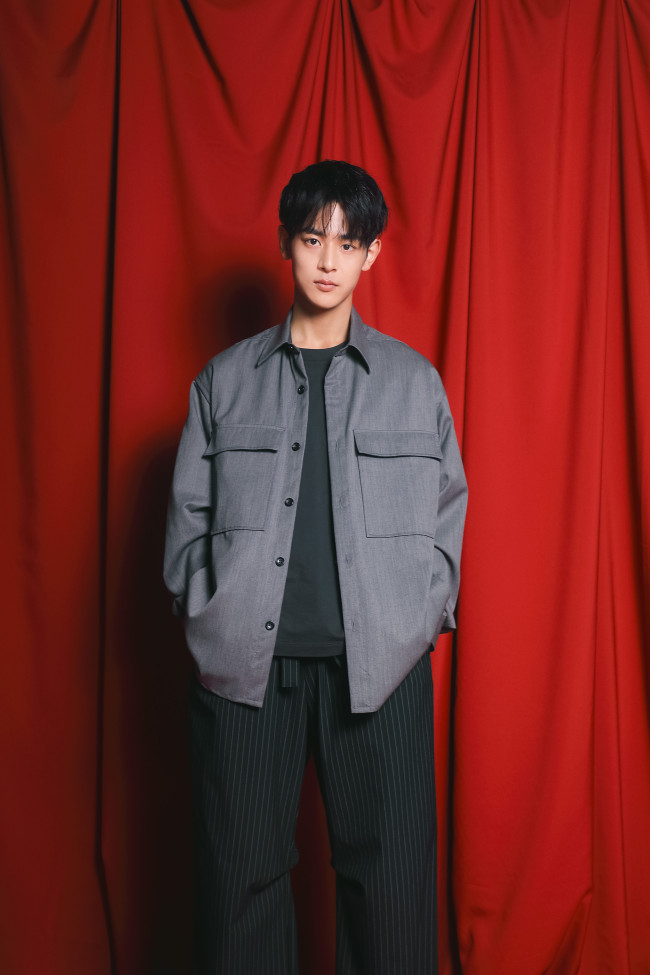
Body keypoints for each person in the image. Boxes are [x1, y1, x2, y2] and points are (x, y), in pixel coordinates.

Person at [164, 159, 467, 975]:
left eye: (348, 242)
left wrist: (413, 623)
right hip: (245, 675)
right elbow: (186, 527)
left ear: (372, 254)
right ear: (285, 244)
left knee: (393, 891)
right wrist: (213, 624)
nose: (329, 260)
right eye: (312, 238)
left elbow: (447, 517)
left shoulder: (414, 383)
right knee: (239, 888)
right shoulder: (224, 382)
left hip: (382, 674)